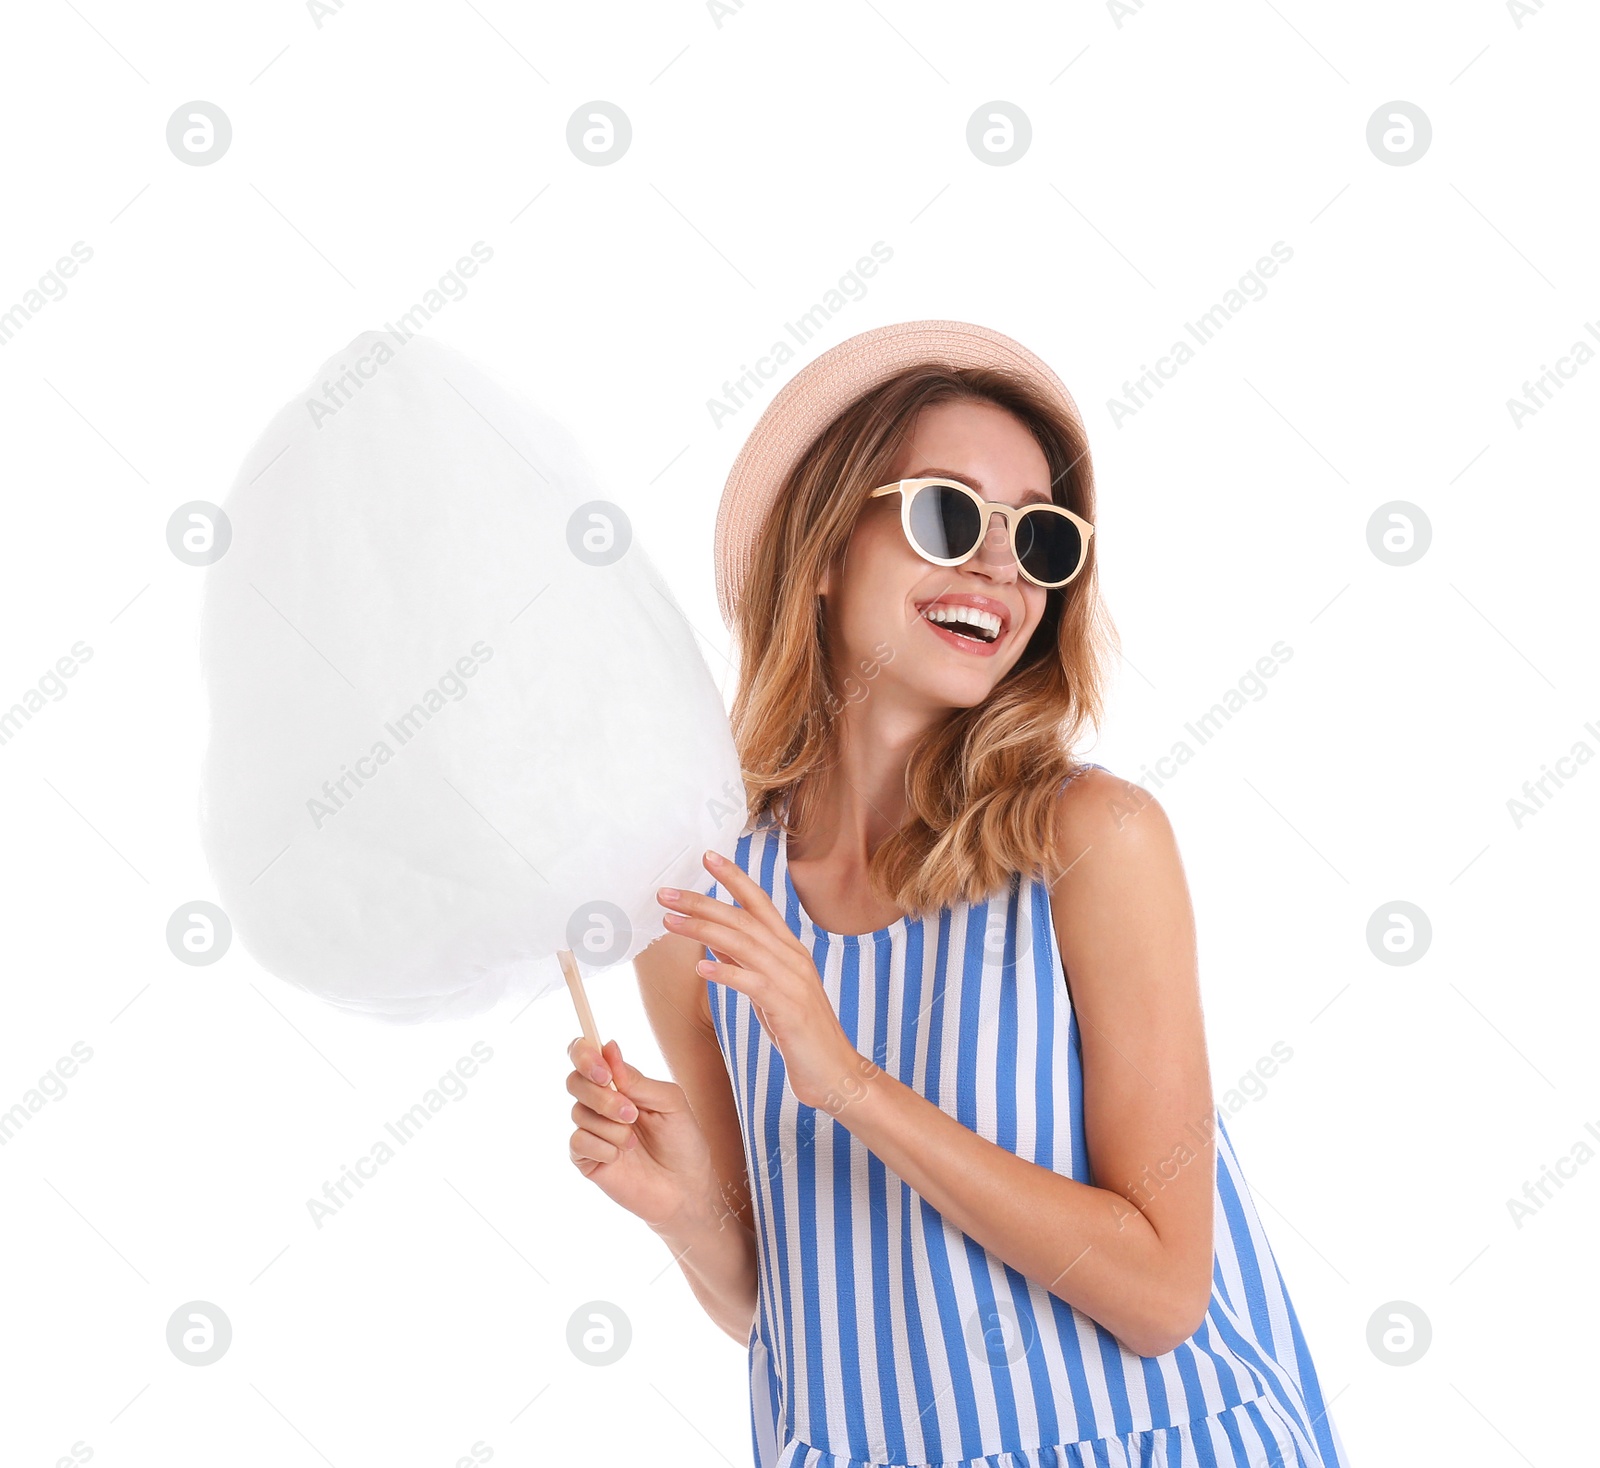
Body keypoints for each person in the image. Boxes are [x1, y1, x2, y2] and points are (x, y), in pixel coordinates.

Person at [566, 321, 1350, 1468]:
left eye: (1039, 537)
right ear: (825, 546)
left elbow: (1160, 1291)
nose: (1000, 566)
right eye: (947, 512)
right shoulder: (700, 900)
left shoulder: (1090, 841)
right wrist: (687, 1212)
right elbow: (791, 1313)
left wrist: (849, 1085)